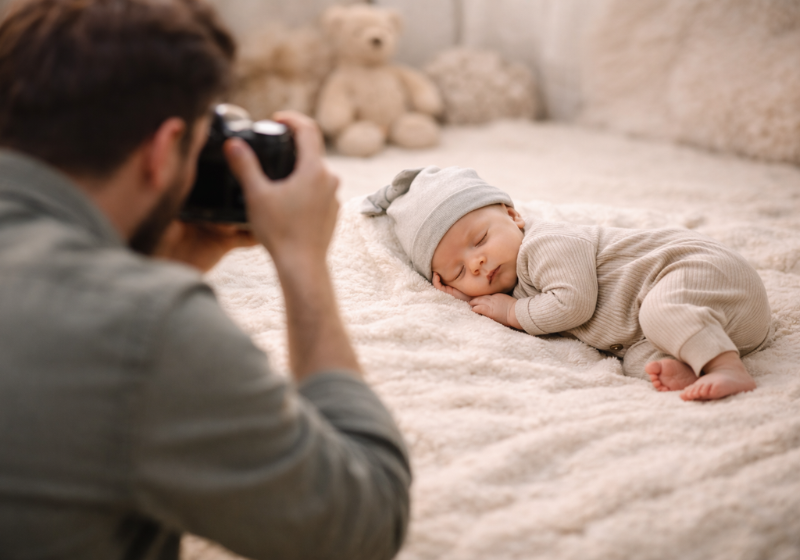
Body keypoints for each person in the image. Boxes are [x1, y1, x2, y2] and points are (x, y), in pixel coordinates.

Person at [0, 0, 410, 559]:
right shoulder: (148, 330)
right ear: (165, 149)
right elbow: (364, 522)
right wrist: (302, 260)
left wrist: (177, 257)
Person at [362, 166, 772, 401]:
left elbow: (572, 304)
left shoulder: (546, 243)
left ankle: (725, 365)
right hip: (709, 322)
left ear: (513, 215)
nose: (477, 262)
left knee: (662, 310)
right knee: (640, 364)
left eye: (480, 239)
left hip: (700, 273)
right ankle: (694, 364)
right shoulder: (516, 281)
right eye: (456, 271)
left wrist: (511, 312)